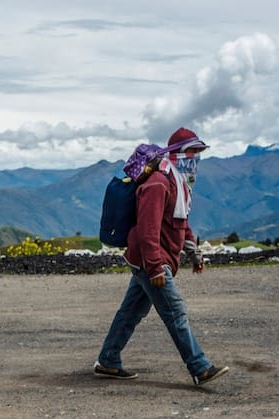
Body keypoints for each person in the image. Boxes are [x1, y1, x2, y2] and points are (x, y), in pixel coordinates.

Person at [94, 128, 229, 387]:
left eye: (198, 153)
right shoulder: (158, 183)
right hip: (151, 260)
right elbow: (148, 230)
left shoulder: (178, 184)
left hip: (152, 259)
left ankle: (108, 361)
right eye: (192, 152)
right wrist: (155, 267)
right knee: (175, 312)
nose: (196, 159)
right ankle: (200, 368)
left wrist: (194, 254)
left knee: (130, 313)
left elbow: (181, 224)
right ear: (177, 153)